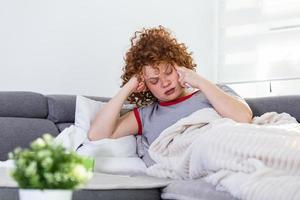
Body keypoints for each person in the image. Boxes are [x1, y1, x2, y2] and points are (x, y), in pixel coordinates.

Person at [88, 26, 253, 166]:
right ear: (145, 85)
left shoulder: (214, 91)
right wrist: (129, 86)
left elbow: (243, 117)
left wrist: (201, 82)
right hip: (196, 160)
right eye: (154, 80)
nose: (165, 83)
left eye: (168, 72)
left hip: (230, 147)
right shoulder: (147, 115)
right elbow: (97, 135)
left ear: (180, 66)